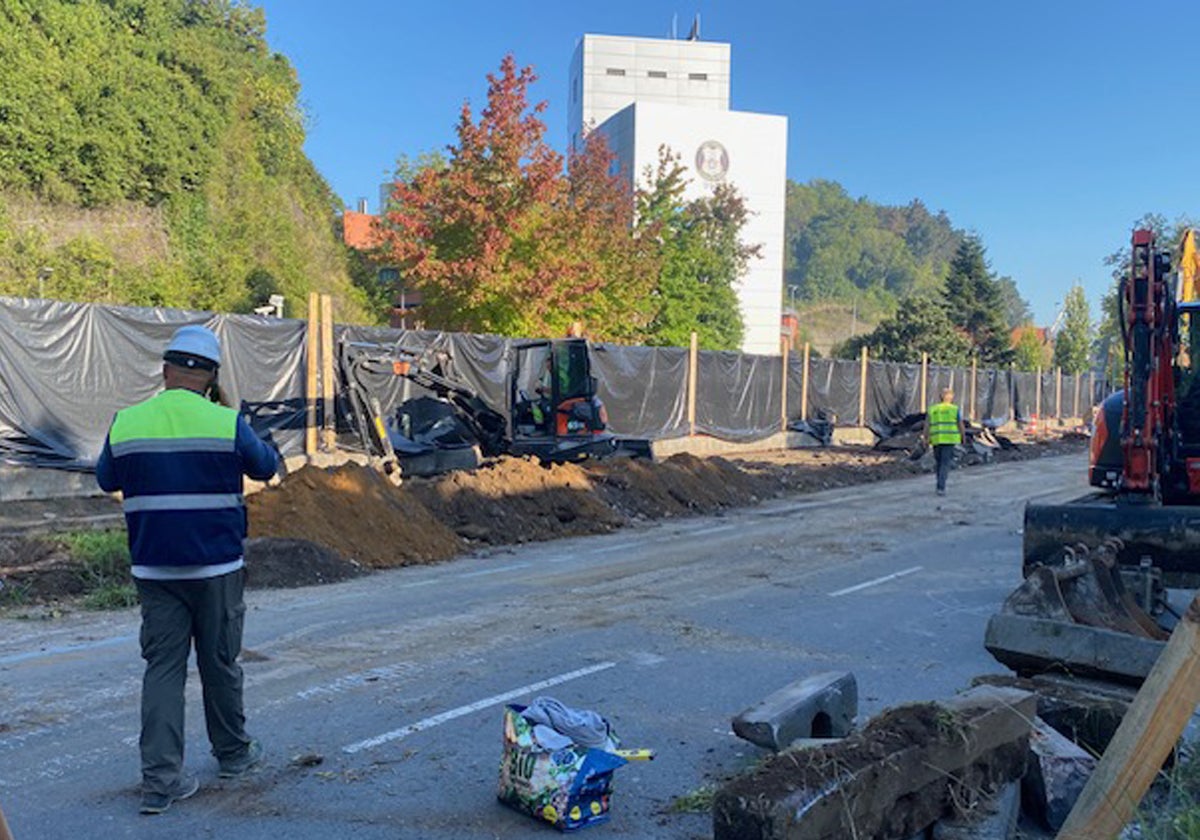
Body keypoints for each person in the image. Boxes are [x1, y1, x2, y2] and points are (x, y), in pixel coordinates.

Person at [96, 325, 279, 815]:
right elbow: (266, 467)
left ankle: (160, 783)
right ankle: (234, 755)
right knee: (219, 663)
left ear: (165, 370)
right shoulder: (226, 422)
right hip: (216, 566)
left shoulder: (127, 422)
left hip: (155, 569)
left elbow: (105, 478)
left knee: (163, 669)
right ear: (212, 376)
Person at [926, 387, 965, 496]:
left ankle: (940, 483)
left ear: (940, 397)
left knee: (939, 462)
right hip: (949, 439)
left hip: (936, 439)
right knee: (945, 463)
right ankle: (941, 486)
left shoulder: (933, 409)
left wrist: (926, 437)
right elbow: (960, 424)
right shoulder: (954, 409)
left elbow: (927, 424)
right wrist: (963, 436)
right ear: (951, 397)